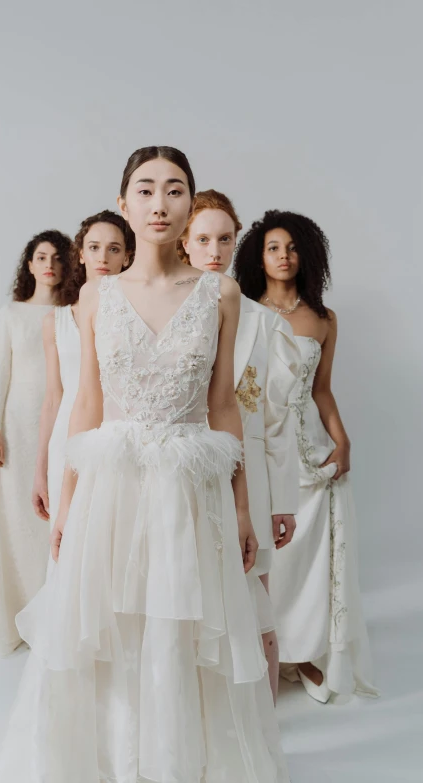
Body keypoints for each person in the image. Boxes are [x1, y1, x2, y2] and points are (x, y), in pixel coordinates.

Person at [0, 147, 289, 782]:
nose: (159, 203)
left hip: (188, 488)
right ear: (125, 205)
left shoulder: (220, 293)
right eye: (145, 190)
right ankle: (112, 763)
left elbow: (224, 403)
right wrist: (66, 502)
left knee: (180, 626)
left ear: (190, 205)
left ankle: (182, 761)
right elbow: (87, 403)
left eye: (175, 191)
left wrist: (240, 506)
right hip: (110, 486)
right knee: (109, 625)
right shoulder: (96, 296)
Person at [234, 209, 379, 703]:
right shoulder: (241, 310)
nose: (283, 256)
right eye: (273, 247)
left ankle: (303, 654)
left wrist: (343, 440)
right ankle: (262, 654)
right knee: (272, 561)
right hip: (262, 451)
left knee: (310, 561)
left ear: (307, 255)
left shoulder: (322, 318)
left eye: (293, 247)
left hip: (312, 452)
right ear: (258, 254)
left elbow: (322, 390)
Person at [179, 190, 300, 703]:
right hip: (183, 471)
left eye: (224, 239)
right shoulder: (169, 311)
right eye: (203, 238)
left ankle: (264, 720)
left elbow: (277, 420)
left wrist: (283, 502)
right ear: (183, 241)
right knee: (191, 598)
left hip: (248, 475)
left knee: (256, 602)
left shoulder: (264, 321)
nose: (214, 250)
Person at [0, 229, 72, 655]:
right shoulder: (12, 314)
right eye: (41, 256)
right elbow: (0, 373)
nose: (49, 263)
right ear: (30, 264)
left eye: (57, 256)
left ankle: (49, 606)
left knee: (53, 510)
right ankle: (14, 608)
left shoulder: (73, 313)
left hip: (60, 418)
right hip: (18, 421)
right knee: (17, 514)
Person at [32, 211, 133, 529]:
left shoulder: (136, 320)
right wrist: (40, 467)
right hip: (66, 438)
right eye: (94, 247)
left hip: (118, 437)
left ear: (128, 257)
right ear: (81, 254)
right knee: (67, 538)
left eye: (114, 248)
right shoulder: (55, 322)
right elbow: (52, 398)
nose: (103, 256)